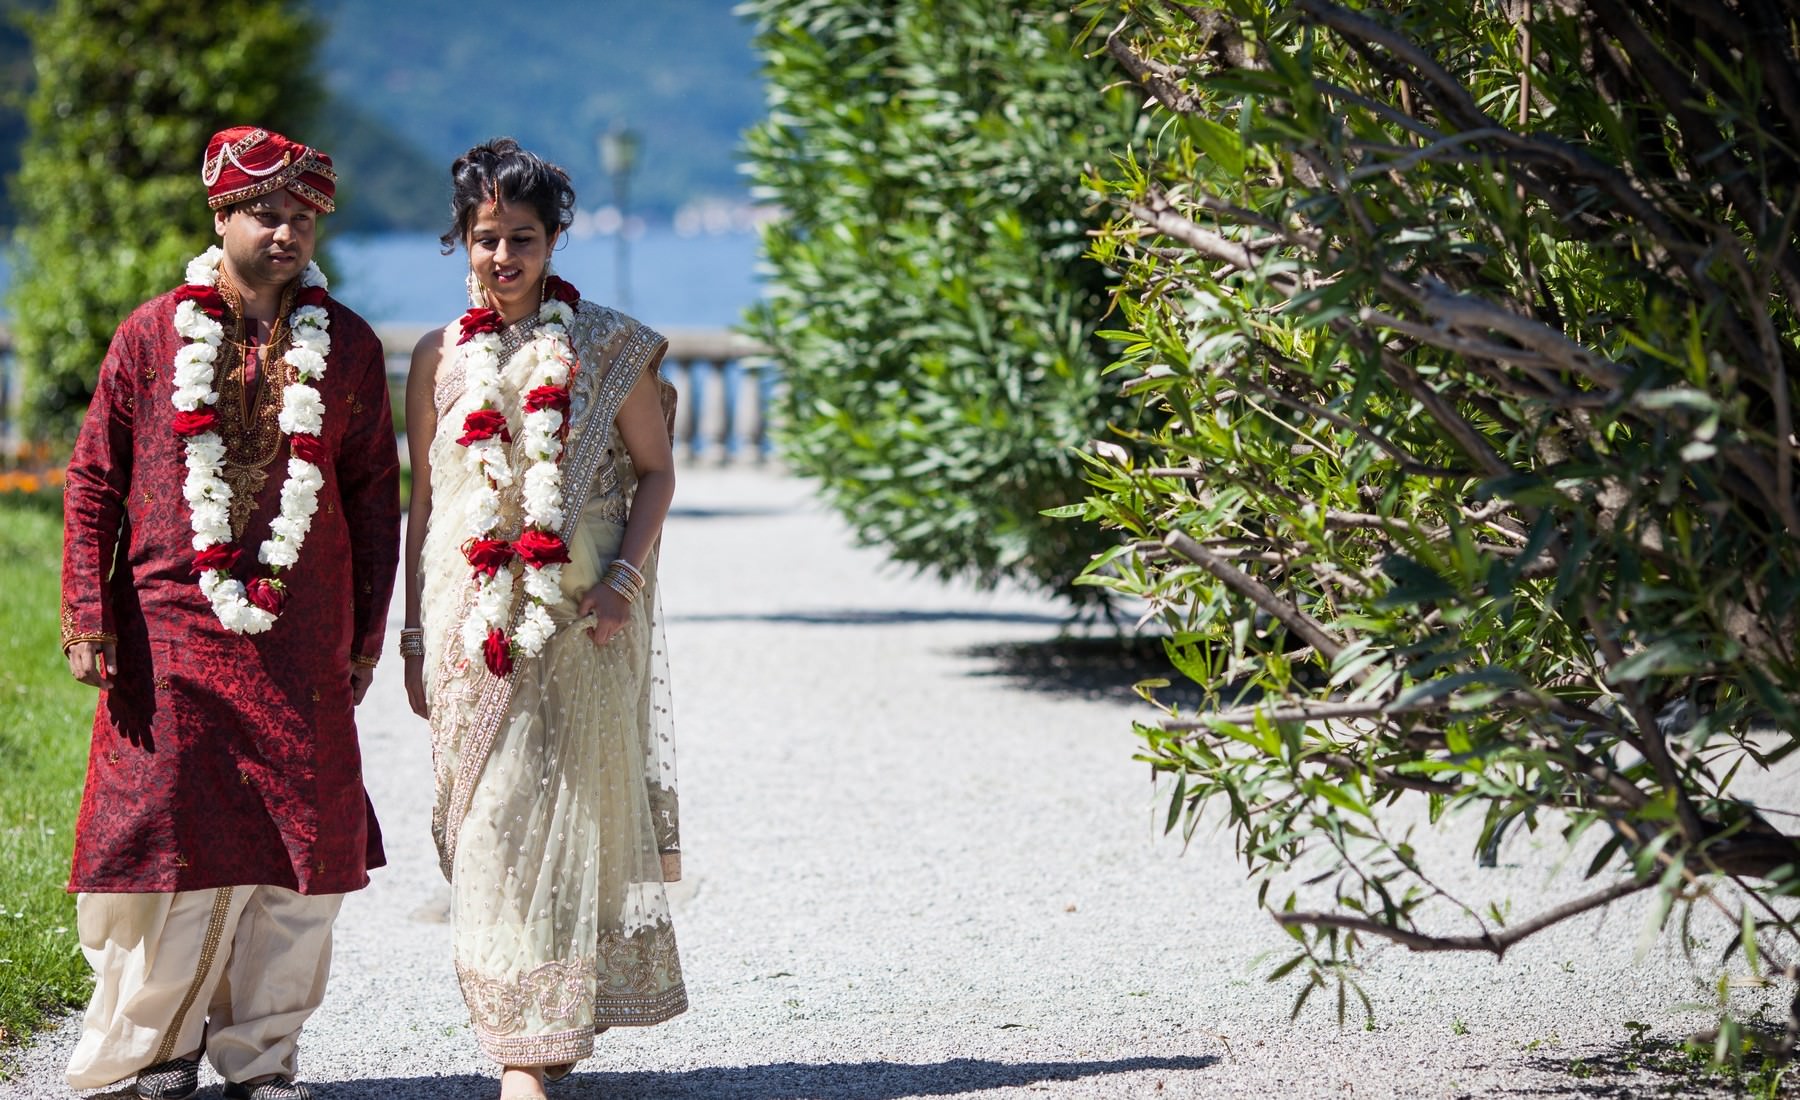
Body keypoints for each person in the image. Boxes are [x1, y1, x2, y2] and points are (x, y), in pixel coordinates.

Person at [58, 126, 399, 1100]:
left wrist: (366, 637)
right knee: (168, 842)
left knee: (302, 853)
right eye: (266, 211)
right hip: (169, 636)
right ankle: (152, 1049)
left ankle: (261, 1058)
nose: (285, 230)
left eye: (302, 215)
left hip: (300, 640)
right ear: (220, 214)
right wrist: (90, 611)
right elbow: (90, 480)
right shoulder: (152, 334)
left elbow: (378, 502)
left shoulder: (353, 349)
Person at [402, 138, 685, 1099]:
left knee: (562, 812)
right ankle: (522, 1028)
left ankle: (532, 1049)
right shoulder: (438, 359)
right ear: (461, 242)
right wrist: (410, 633)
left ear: (555, 239)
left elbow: (656, 472)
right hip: (462, 617)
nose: (503, 258)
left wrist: (622, 586)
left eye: (523, 238)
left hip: (576, 617)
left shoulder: (606, 345)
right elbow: (427, 506)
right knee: (487, 819)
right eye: (486, 239)